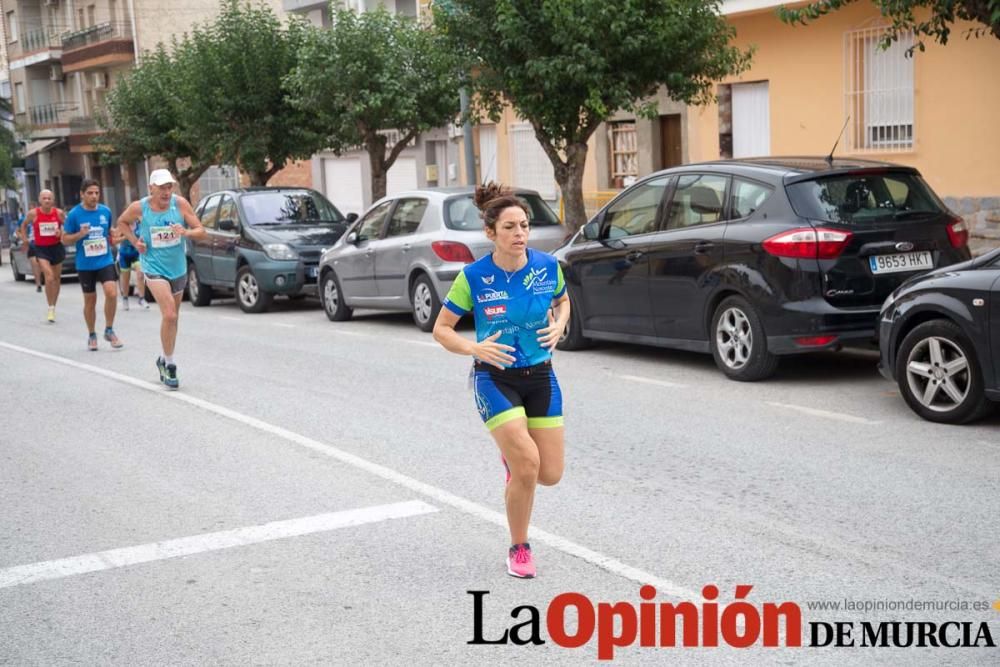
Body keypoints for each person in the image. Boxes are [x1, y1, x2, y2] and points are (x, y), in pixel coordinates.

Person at [432, 182, 571, 579]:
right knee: (528, 464)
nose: (519, 234)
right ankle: (519, 547)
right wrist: (475, 349)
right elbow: (442, 330)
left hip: (541, 374)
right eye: (509, 227)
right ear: (491, 233)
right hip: (494, 378)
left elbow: (563, 302)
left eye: (524, 226)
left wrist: (560, 324)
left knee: (549, 474)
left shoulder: (547, 267)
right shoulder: (474, 277)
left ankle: (516, 465)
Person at [116, 169, 205, 389]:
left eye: (169, 187)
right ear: (151, 188)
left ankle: (164, 358)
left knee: (173, 319)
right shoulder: (140, 207)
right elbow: (121, 222)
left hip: (178, 268)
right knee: (170, 313)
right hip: (153, 267)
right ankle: (171, 365)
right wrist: (135, 241)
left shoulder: (180, 204)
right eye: (162, 188)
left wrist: (185, 232)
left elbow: (201, 230)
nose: (166, 192)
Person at [62, 179, 123, 351]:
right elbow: (64, 238)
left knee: (111, 293)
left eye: (96, 193)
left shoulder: (105, 211)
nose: (94, 196)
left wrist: (117, 234)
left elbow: (109, 233)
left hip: (104, 260)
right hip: (85, 264)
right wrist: (79, 235)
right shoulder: (74, 214)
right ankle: (92, 334)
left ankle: (109, 330)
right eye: (90, 193)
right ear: (82, 194)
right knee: (90, 301)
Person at [20, 191, 66, 322]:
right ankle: (50, 307)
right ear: (40, 200)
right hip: (41, 249)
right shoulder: (33, 213)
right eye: (44, 198)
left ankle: (53, 306)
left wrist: (61, 232)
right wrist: (25, 240)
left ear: (53, 200)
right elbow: (23, 225)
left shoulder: (59, 213)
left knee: (56, 279)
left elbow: (69, 227)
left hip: (56, 247)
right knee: (49, 276)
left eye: (49, 198)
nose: (47, 200)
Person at [116, 220, 148, 310]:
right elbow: (114, 240)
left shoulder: (139, 225)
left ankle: (142, 298)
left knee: (140, 274)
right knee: (126, 279)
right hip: (124, 254)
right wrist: (124, 238)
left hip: (137, 253)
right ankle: (125, 298)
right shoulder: (122, 225)